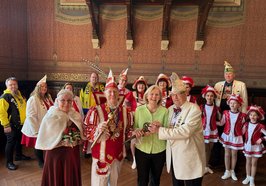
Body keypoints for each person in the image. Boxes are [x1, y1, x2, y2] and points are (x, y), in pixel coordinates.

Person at [149, 72, 205, 186]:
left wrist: (159, 131)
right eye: (173, 94)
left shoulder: (194, 109)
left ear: (185, 94)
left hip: (190, 158)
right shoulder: (170, 109)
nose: (175, 97)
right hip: (174, 157)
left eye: (179, 94)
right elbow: (168, 127)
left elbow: (185, 132)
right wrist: (159, 126)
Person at [83, 70, 133, 186]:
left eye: (115, 92)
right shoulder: (95, 110)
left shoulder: (126, 112)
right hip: (101, 157)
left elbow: (127, 131)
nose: (112, 94)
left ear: (118, 94)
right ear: (104, 94)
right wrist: (97, 129)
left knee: (114, 183)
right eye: (109, 92)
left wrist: (135, 133)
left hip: (117, 155)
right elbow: (86, 130)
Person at [35, 89, 85, 186]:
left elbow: (81, 132)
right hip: (55, 154)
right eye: (63, 100)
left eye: (69, 101)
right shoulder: (51, 115)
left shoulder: (75, 115)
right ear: (57, 101)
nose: (66, 103)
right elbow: (46, 136)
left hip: (72, 153)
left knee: (70, 176)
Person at [212, 60, 248, 167]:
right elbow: (214, 100)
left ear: (234, 74)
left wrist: (244, 116)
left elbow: (245, 101)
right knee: (219, 138)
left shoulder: (241, 85)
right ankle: (217, 161)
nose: (228, 75)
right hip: (221, 115)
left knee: (234, 139)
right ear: (224, 75)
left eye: (230, 73)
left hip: (236, 116)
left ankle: (234, 165)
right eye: (226, 74)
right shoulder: (218, 85)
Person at [134, 85, 168, 186]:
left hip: (159, 150)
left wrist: (160, 127)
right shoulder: (139, 110)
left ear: (160, 97)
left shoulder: (165, 111)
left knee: (155, 179)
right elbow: (134, 127)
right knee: (142, 179)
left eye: (157, 94)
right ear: (147, 96)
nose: (154, 97)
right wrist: (137, 131)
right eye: (151, 94)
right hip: (142, 149)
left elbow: (168, 131)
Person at [21, 75, 53, 168]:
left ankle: (47, 160)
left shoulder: (48, 97)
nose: (44, 88)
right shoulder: (33, 99)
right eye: (42, 86)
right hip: (36, 126)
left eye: (45, 87)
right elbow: (30, 116)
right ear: (38, 87)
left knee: (46, 143)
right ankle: (41, 162)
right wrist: (36, 130)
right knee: (38, 144)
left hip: (46, 126)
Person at [0, 77, 31, 170]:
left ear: (17, 85)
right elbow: (1, 113)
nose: (13, 86)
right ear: (7, 86)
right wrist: (6, 125)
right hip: (11, 125)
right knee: (10, 143)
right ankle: (9, 162)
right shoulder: (4, 97)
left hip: (21, 124)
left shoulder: (19, 95)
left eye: (15, 84)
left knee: (18, 141)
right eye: (11, 85)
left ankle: (18, 155)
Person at [218, 94, 245, 181]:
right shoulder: (225, 113)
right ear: (228, 104)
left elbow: (244, 128)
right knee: (227, 154)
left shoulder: (242, 116)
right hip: (227, 136)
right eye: (231, 103)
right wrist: (211, 123)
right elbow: (221, 123)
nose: (232, 105)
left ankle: (232, 171)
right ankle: (227, 171)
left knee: (234, 154)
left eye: (235, 103)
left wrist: (241, 136)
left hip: (236, 137)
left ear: (239, 105)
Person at [80, 72, 104, 157]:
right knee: (88, 131)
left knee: (97, 131)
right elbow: (81, 101)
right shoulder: (84, 88)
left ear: (98, 79)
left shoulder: (101, 87)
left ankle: (96, 149)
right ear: (90, 78)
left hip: (98, 112)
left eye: (96, 77)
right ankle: (87, 151)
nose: (94, 79)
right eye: (93, 77)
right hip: (87, 112)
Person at [242, 105, 266, 186]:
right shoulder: (246, 124)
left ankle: (252, 179)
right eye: (251, 115)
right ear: (249, 116)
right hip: (248, 146)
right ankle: (247, 177)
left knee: (254, 163)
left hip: (256, 147)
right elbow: (241, 133)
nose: (253, 117)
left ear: (258, 116)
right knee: (248, 162)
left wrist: (261, 139)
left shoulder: (260, 126)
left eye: (255, 115)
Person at [200, 85, 221, 174]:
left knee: (210, 149)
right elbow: (198, 118)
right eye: (208, 95)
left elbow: (220, 119)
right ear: (205, 96)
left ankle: (206, 164)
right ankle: (203, 166)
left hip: (213, 130)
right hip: (204, 130)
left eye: (211, 96)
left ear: (214, 97)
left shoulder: (216, 108)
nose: (209, 97)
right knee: (204, 149)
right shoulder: (201, 107)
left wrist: (216, 123)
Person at [130, 76, 148, 169]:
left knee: (143, 140)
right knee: (133, 140)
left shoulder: (148, 95)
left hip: (145, 120)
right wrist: (130, 113)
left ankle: (143, 159)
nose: (141, 86)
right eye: (139, 84)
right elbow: (125, 104)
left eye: (142, 84)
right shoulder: (131, 94)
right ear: (136, 85)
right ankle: (134, 159)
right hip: (134, 120)